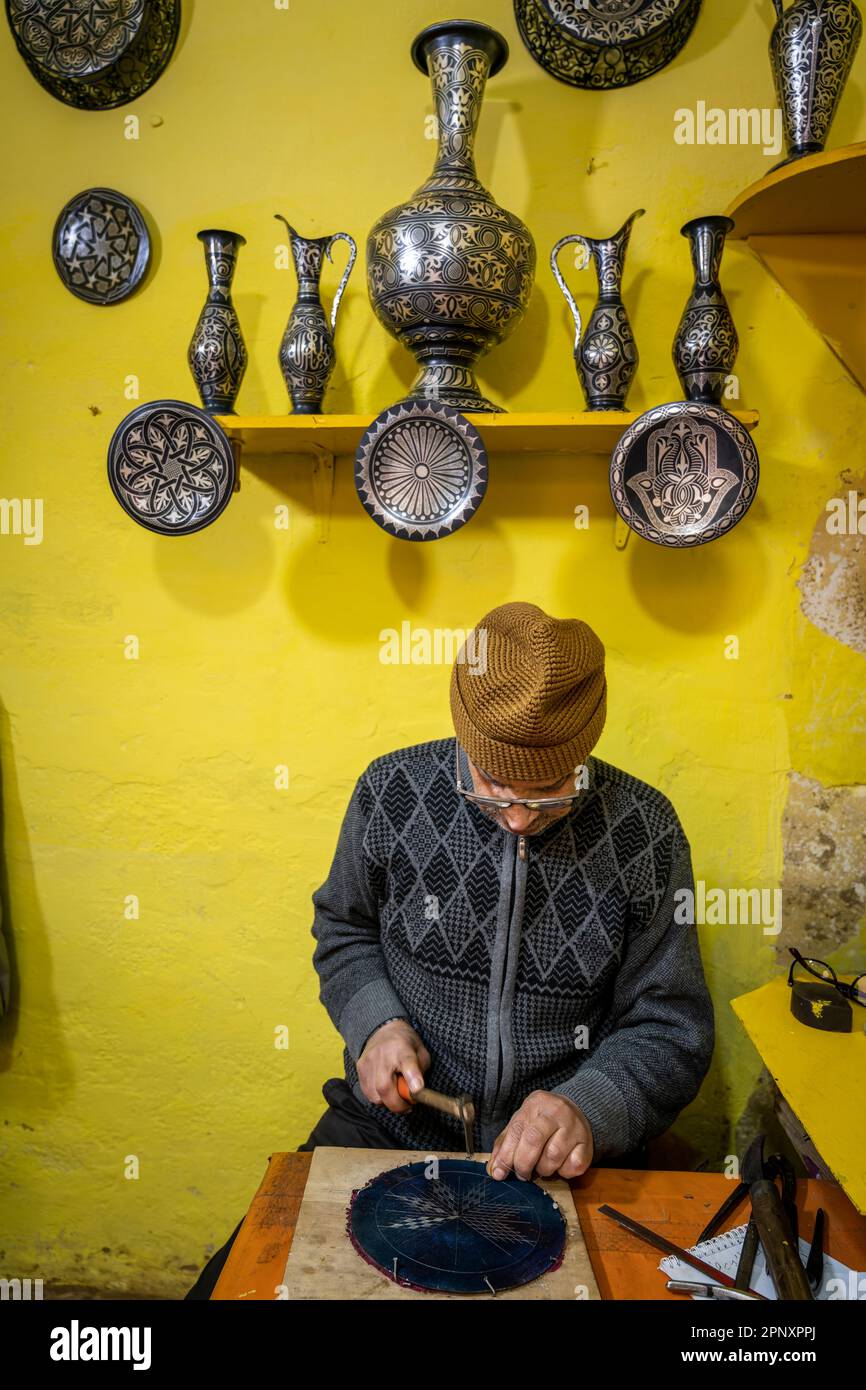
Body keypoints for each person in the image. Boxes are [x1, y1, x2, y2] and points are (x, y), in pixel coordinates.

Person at [185, 601, 713, 1298]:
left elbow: (671, 1029)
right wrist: (376, 1024)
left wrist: (587, 1106)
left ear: (586, 745)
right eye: (494, 786)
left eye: (549, 792)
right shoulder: (391, 792)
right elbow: (343, 931)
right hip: (386, 1131)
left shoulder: (646, 832)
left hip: (554, 1162)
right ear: (463, 731)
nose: (520, 817)